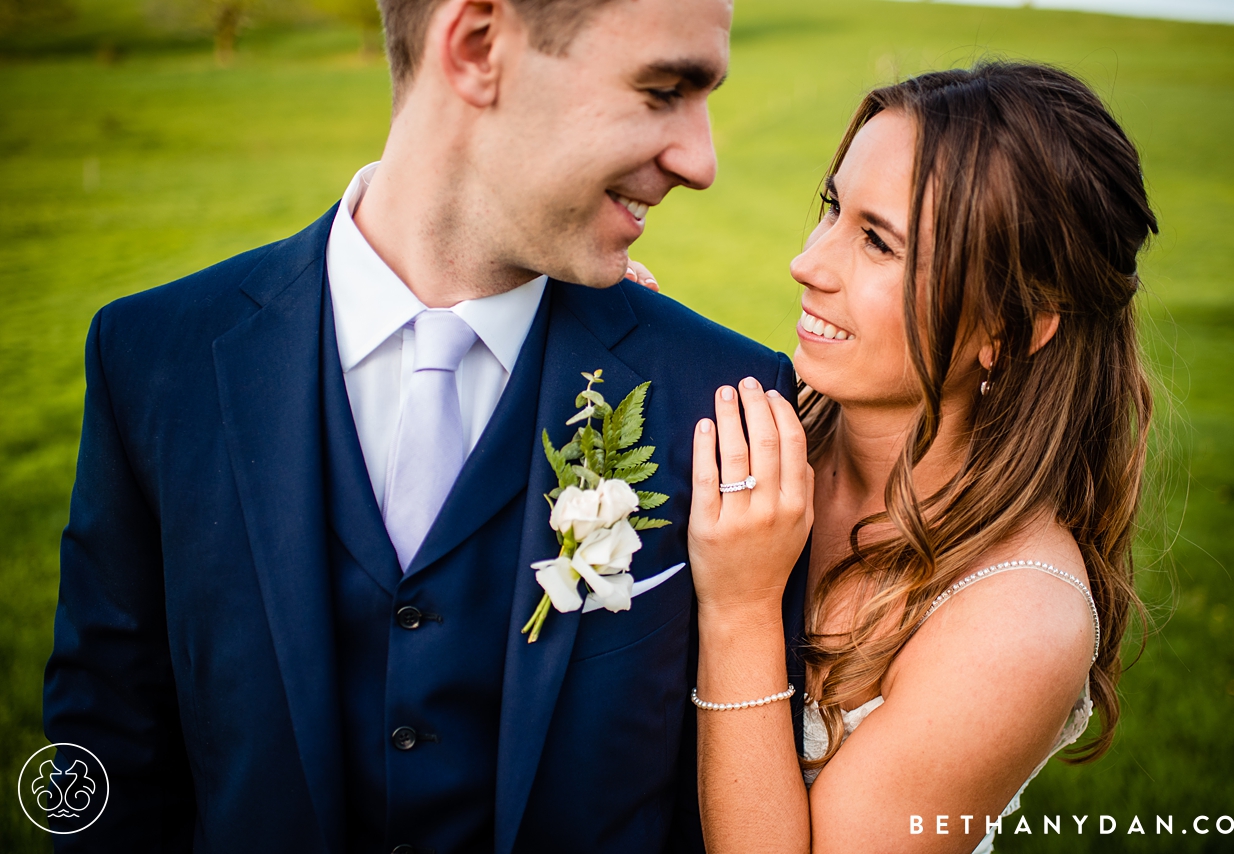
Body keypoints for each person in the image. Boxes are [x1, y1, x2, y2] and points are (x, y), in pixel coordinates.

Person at [43, 0, 808, 851]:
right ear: (479, 47)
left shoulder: (722, 399)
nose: (701, 163)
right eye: (663, 89)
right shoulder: (154, 358)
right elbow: (104, 734)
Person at [684, 62, 1156, 853]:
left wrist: (739, 611)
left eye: (877, 241)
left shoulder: (1018, 620)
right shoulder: (766, 432)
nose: (810, 263)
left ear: (1006, 329)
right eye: (833, 209)